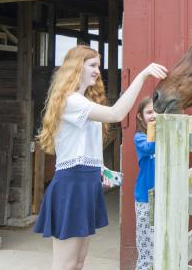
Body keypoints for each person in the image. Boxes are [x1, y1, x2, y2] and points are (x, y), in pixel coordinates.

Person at [34, 45, 167, 270]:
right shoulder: (71, 101)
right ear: (77, 67)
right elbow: (116, 114)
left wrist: (101, 169)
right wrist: (143, 75)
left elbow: (86, 144)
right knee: (65, 265)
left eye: (98, 65)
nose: (97, 70)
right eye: (92, 65)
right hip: (71, 184)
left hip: (86, 182)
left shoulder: (83, 101)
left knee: (78, 262)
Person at [133, 97, 157, 270]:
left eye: (157, 111)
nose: (154, 115)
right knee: (146, 245)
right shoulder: (139, 138)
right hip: (146, 197)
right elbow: (150, 147)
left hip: (162, 195)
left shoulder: (163, 135)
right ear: (140, 117)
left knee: (160, 241)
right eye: (149, 112)